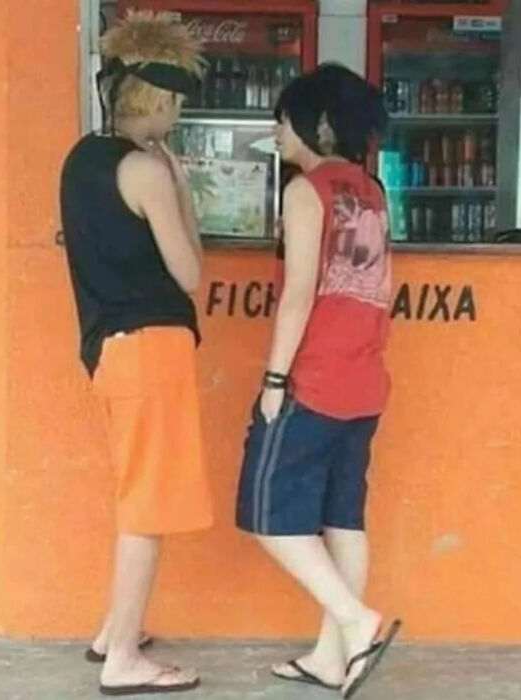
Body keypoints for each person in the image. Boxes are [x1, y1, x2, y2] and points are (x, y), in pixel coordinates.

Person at [235, 63, 401, 699]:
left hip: (315, 378)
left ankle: (358, 623)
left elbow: (299, 294)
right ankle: (334, 657)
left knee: (267, 514)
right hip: (365, 378)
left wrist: (275, 379)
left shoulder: (306, 191)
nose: (278, 132)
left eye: (284, 120)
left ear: (320, 124)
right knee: (342, 516)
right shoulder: (373, 190)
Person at [59, 11, 212, 696]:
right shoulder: (147, 170)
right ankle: (123, 657)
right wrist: (182, 191)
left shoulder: (81, 159)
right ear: (156, 95)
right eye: (177, 100)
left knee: (137, 497)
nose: (179, 114)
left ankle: (112, 633)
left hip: (109, 348)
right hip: (153, 347)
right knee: (149, 510)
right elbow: (190, 274)